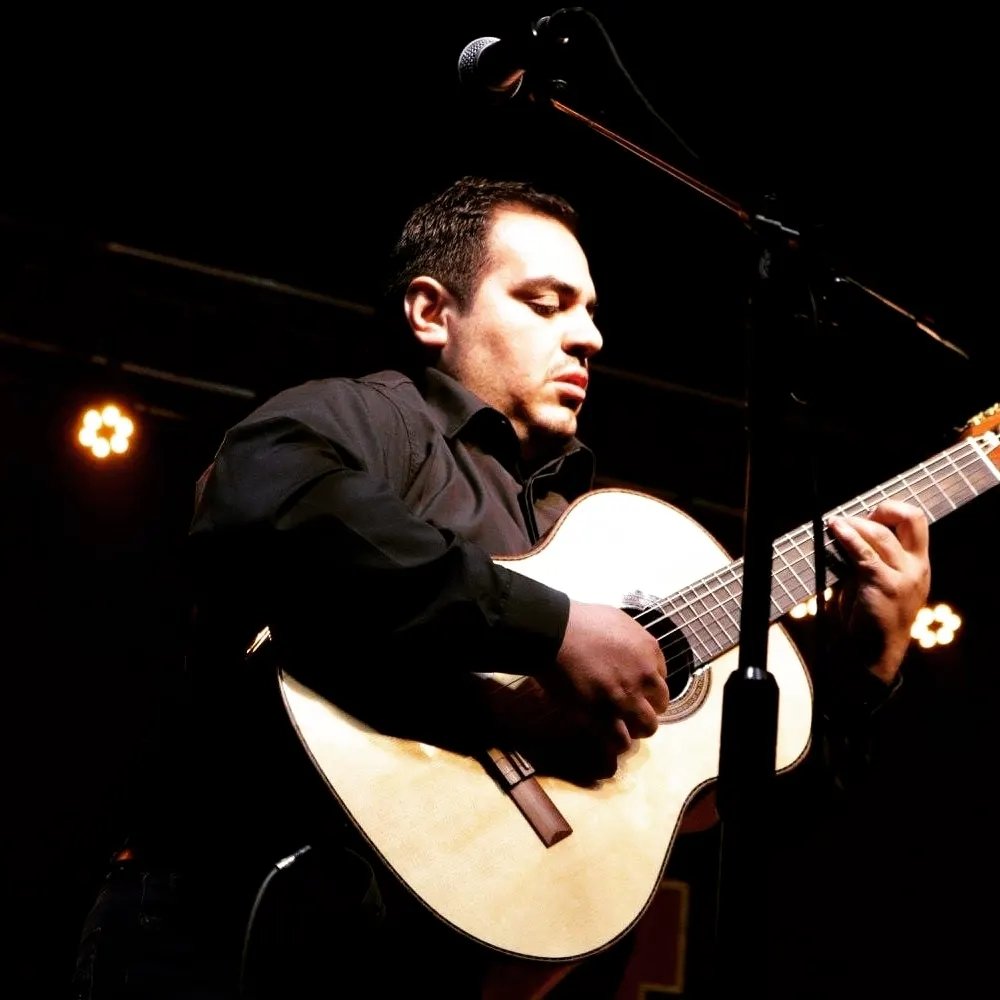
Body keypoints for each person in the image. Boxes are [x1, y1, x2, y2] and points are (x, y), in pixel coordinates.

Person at [71, 175, 931, 999]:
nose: (589, 337)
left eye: (591, 312)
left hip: (453, 972)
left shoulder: (592, 530)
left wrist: (867, 669)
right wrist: (550, 629)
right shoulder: (374, 420)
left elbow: (748, 833)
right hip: (237, 923)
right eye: (546, 303)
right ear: (431, 313)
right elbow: (268, 503)